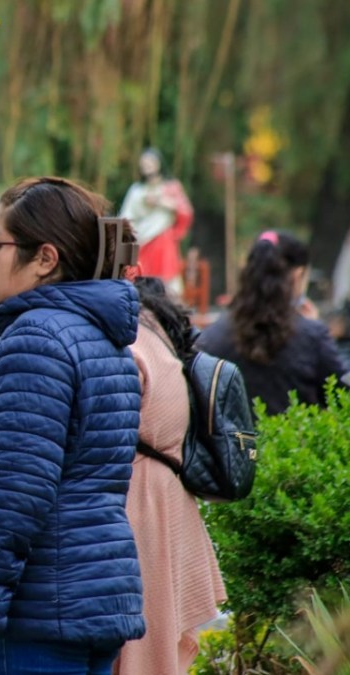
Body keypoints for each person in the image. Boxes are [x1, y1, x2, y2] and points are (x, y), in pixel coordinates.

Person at [0, 177, 145, 675]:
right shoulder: (97, 337)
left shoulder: (34, 341)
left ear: (45, 259)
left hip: (37, 610)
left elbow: (16, 488)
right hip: (91, 596)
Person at [114, 277, 227, 675]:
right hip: (167, 497)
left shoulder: (129, 343)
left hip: (139, 503)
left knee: (142, 645)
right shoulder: (158, 338)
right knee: (159, 644)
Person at [196, 230, 348, 415]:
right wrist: (316, 332)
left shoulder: (213, 336)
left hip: (234, 443)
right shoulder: (311, 335)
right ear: (298, 275)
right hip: (295, 442)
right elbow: (342, 398)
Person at [119, 148, 194, 295]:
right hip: (142, 241)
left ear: (159, 164)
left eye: (150, 163)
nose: (147, 166)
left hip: (163, 240)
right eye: (144, 164)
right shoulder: (137, 190)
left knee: (167, 284)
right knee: (141, 280)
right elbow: (126, 217)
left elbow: (185, 211)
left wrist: (161, 202)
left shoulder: (170, 187)